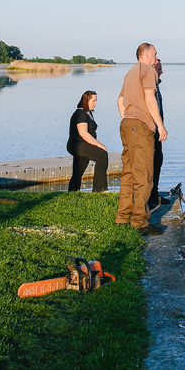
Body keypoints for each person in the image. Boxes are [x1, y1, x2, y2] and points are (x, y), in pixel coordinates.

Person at [116, 43, 168, 236]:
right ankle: (139, 222)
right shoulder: (148, 70)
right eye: (155, 54)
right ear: (146, 55)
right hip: (141, 126)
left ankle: (122, 217)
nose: (156, 57)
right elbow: (149, 99)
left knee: (128, 172)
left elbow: (119, 101)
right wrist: (160, 125)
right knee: (144, 175)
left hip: (127, 125)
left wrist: (128, 117)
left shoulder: (129, 73)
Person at [66, 90, 109, 192]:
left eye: (96, 100)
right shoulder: (80, 113)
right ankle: (99, 189)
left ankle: (72, 191)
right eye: (93, 101)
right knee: (102, 155)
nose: (95, 103)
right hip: (78, 145)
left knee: (78, 170)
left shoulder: (88, 113)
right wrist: (99, 145)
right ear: (86, 101)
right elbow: (83, 133)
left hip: (83, 145)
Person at [148, 57, 170, 210]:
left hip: (157, 133)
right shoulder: (149, 86)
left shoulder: (157, 85)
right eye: (159, 69)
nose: (162, 71)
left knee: (158, 162)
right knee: (150, 164)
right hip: (151, 131)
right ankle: (148, 197)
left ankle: (154, 193)